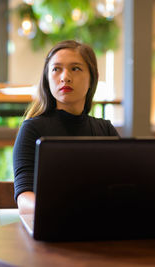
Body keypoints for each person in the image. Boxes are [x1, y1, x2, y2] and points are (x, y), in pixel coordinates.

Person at [13, 40, 119, 214]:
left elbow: (123, 186)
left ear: (93, 78)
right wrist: (61, 210)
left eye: (75, 68)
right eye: (56, 69)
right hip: (52, 227)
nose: (65, 77)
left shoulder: (105, 130)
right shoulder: (32, 129)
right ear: (47, 78)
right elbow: (24, 197)